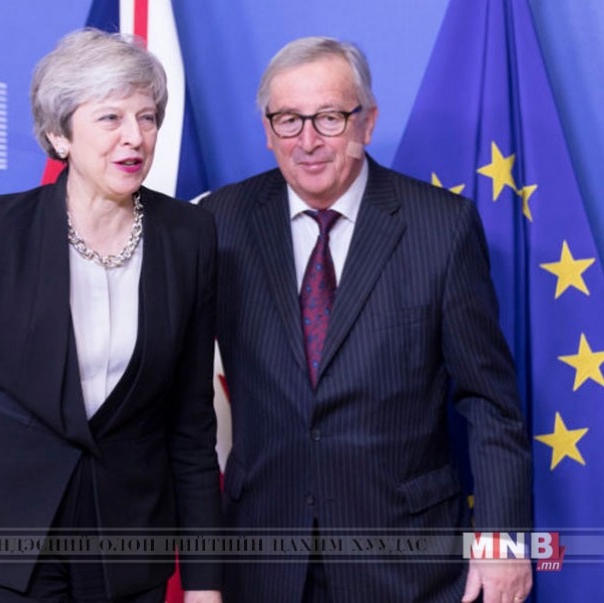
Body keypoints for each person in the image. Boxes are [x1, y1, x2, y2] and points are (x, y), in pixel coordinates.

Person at [0, 28, 222, 603]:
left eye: (147, 117)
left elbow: (191, 426)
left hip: (126, 546)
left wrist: (205, 582)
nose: (135, 137)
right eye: (110, 118)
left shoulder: (189, 236)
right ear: (60, 135)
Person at [200, 36, 532, 602]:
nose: (307, 141)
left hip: (407, 563)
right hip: (262, 561)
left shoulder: (441, 227)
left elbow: (489, 400)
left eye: (329, 118)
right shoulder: (219, 221)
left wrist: (501, 541)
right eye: (288, 120)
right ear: (267, 130)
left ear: (368, 122)